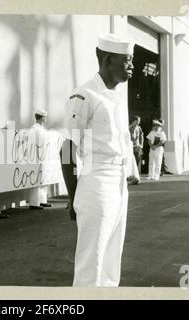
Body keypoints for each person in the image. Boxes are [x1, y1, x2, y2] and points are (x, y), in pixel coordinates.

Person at [60, 33, 136, 287]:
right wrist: (73, 197)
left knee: (112, 264)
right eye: (127, 60)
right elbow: (68, 148)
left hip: (118, 184)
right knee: (91, 265)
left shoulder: (118, 97)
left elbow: (123, 142)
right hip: (96, 184)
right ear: (107, 60)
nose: (132, 66)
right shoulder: (85, 95)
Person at [29, 109, 53, 210]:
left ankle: (42, 200)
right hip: (36, 157)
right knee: (36, 180)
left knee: (44, 179)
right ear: (42, 118)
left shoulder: (42, 129)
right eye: (45, 117)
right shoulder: (34, 129)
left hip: (44, 156)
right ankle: (34, 202)